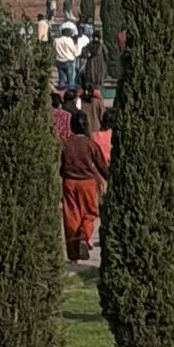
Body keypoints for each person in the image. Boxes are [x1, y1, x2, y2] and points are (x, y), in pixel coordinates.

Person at [59, 109, 108, 262]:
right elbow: (101, 165)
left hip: (69, 182)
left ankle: (73, 255)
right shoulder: (90, 144)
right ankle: (84, 236)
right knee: (89, 213)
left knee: (71, 217)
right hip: (87, 183)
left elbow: (60, 164)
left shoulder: (65, 144)